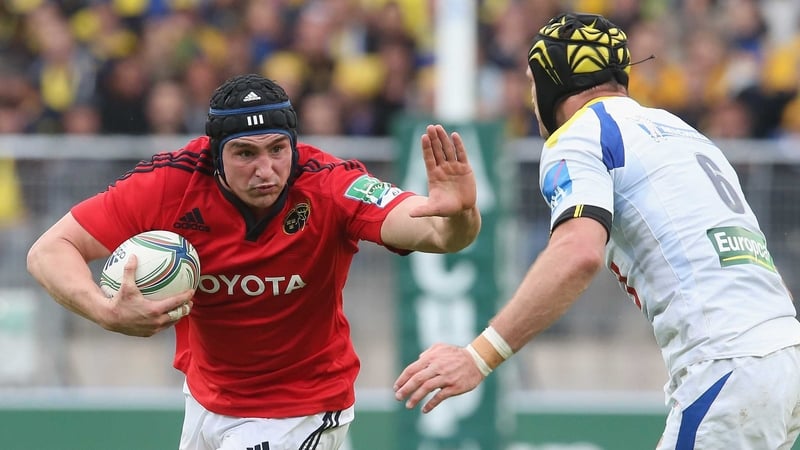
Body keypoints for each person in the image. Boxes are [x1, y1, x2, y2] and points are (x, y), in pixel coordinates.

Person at [393, 12, 800, 449]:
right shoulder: (687, 135)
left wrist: (477, 357)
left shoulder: (580, 135)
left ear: (552, 84)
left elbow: (579, 252)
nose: (531, 99)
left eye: (534, 83)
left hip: (728, 366)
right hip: (784, 354)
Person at [26, 73, 481, 450]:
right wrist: (105, 312)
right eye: (245, 153)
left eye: (277, 149)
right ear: (215, 154)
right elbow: (49, 251)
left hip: (300, 410)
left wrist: (460, 214)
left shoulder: (330, 185)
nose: (266, 170)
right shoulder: (170, 184)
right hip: (206, 401)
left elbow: (436, 233)